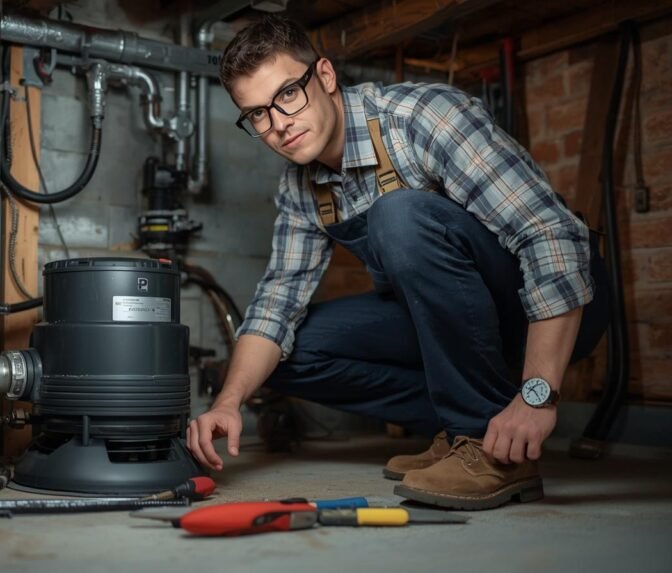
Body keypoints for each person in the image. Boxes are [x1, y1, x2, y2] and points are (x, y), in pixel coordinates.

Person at [186, 15, 609, 510]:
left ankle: (487, 443)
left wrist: (538, 394)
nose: (278, 124)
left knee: (398, 212)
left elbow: (552, 237)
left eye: (287, 95)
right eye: (257, 114)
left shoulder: (423, 118)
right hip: (454, 324)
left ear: (324, 77)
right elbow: (276, 304)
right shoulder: (299, 188)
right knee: (285, 353)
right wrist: (228, 403)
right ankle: (464, 425)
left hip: (557, 307)